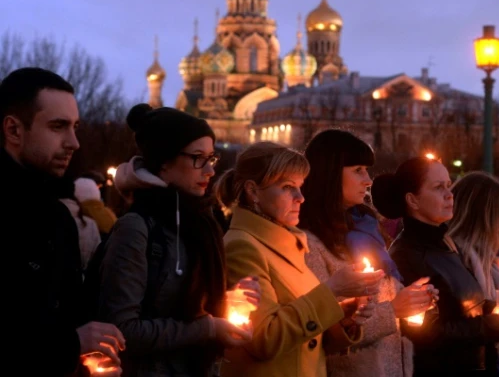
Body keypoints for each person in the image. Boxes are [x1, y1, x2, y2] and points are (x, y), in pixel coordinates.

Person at [99, 104, 253, 376]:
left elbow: (186, 303)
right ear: (164, 161)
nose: (210, 171)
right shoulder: (137, 228)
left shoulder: (200, 221)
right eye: (197, 158)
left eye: (212, 158)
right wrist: (209, 328)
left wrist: (231, 298)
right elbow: (122, 331)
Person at [217, 141, 382, 377]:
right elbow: (263, 339)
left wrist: (343, 317)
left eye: (300, 186)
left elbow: (305, 339)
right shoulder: (243, 247)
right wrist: (332, 290)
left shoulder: (288, 244)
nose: (300, 197)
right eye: (287, 187)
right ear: (253, 191)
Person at [2, 67, 125, 376]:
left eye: (76, 127)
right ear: (14, 130)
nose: (74, 142)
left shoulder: (59, 218)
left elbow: (72, 317)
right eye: (58, 126)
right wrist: (70, 345)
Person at [299, 129, 436, 377]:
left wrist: (414, 298)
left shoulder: (366, 228)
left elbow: (385, 296)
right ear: (330, 173)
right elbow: (322, 330)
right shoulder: (310, 242)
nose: (368, 180)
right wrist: (393, 310)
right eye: (358, 170)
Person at [374, 158, 499, 376]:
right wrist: (490, 326)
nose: (449, 194)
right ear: (413, 200)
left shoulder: (446, 243)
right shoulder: (406, 256)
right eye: (438, 187)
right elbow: (424, 333)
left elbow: (461, 301)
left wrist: (495, 307)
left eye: (449, 185)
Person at [448, 172, 499, 366]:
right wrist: (497, 318)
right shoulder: (458, 258)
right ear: (483, 219)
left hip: (498, 357)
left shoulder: (494, 261)